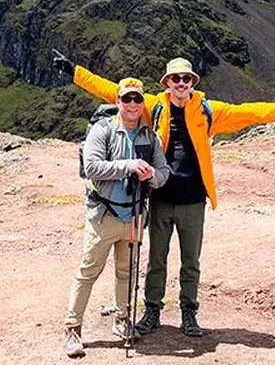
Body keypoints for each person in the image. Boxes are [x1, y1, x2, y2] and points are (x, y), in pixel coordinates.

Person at [54, 53, 275, 338]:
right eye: (175, 79)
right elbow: (112, 91)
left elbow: (251, 113)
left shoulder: (207, 110)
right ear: (167, 83)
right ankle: (152, 311)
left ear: (192, 82)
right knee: (157, 259)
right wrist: (75, 72)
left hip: (194, 200)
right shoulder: (153, 106)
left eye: (186, 78)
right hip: (160, 198)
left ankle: (189, 314)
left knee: (191, 262)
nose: (181, 83)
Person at [64, 76, 170, 358]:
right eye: (127, 98)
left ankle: (122, 320)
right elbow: (92, 167)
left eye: (137, 99)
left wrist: (153, 177)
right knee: (88, 271)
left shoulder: (150, 136)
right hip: (104, 214)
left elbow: (164, 171)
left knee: (127, 272)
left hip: (135, 215)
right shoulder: (102, 131)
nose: (132, 104)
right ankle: (73, 327)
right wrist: (129, 165)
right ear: (118, 101)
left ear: (142, 102)